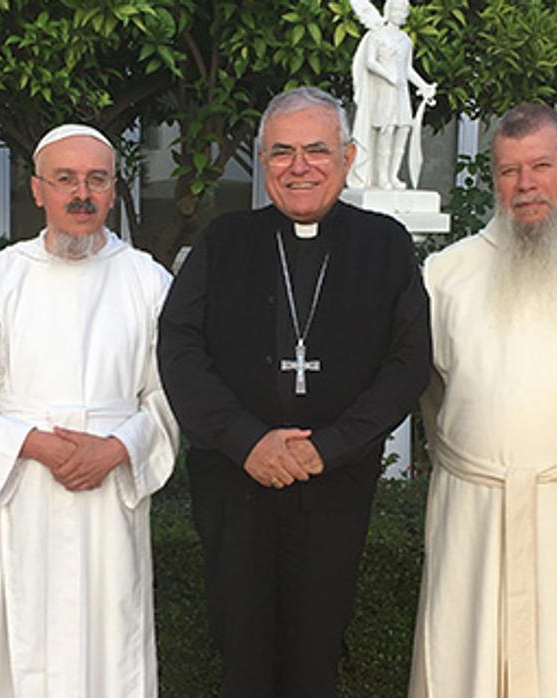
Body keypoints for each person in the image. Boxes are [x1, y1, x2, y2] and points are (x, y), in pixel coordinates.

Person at [158, 86, 431, 698]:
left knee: (315, 660)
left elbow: (408, 363)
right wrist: (246, 440)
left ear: (348, 157)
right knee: (242, 658)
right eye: (282, 152)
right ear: (262, 161)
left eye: (316, 150)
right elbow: (178, 347)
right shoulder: (224, 241)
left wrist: (329, 448)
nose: (299, 166)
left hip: (334, 487)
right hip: (235, 483)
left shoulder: (384, 245)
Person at [410, 104, 557, 698]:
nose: (525, 185)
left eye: (540, 166)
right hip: (473, 515)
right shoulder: (448, 273)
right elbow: (431, 395)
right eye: (508, 171)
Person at [0, 124, 178, 698]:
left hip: (107, 509)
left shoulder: (148, 281)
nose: (82, 194)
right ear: (38, 189)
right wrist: (38, 446)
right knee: (9, 648)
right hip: (22, 499)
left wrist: (116, 449)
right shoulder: (0, 279)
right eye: (65, 179)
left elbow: (172, 397)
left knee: (110, 645)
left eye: (96, 179)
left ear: (114, 190)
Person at [348, 0, 437, 190]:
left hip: (401, 91)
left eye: (404, 11)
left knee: (403, 129)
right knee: (386, 130)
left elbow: (407, 69)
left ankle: (393, 174)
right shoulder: (376, 35)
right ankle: (382, 177)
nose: (401, 14)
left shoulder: (405, 39)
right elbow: (370, 62)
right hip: (384, 92)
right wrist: (388, 75)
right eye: (397, 10)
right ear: (388, 11)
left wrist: (424, 86)